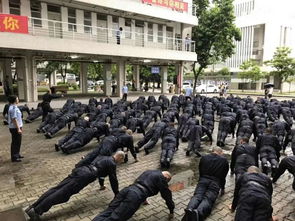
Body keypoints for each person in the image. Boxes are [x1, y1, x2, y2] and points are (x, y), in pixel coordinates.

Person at [25, 151, 125, 220]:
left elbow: (89, 158)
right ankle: (37, 211)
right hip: (85, 176)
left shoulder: (105, 157)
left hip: (82, 170)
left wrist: (77, 167)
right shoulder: (112, 163)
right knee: (61, 194)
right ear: (120, 157)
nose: (120, 162)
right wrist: (117, 194)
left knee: (57, 188)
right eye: (121, 160)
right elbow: (113, 180)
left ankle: (32, 207)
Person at [93, 170, 174, 221]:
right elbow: (167, 195)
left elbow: (144, 184)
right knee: (116, 217)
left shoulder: (149, 172)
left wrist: (144, 198)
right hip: (135, 196)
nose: (166, 183)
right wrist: (171, 209)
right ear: (166, 178)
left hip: (127, 190)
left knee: (108, 211)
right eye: (168, 181)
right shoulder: (162, 178)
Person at [182, 147, 229, 221]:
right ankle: (198, 212)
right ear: (220, 152)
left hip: (203, 180)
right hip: (215, 182)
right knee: (208, 199)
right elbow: (223, 176)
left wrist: (201, 180)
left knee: (197, 196)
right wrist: (222, 187)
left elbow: (200, 169)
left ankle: (190, 208)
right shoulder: (224, 161)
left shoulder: (204, 157)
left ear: (213, 151)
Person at [7, 95, 24, 162]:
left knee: (18, 141)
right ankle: (14, 157)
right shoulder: (13, 108)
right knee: (15, 142)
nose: (18, 100)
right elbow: (14, 119)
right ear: (14, 100)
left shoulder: (14, 107)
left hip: (17, 127)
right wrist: (18, 129)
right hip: (15, 128)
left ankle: (17, 154)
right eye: (17, 99)